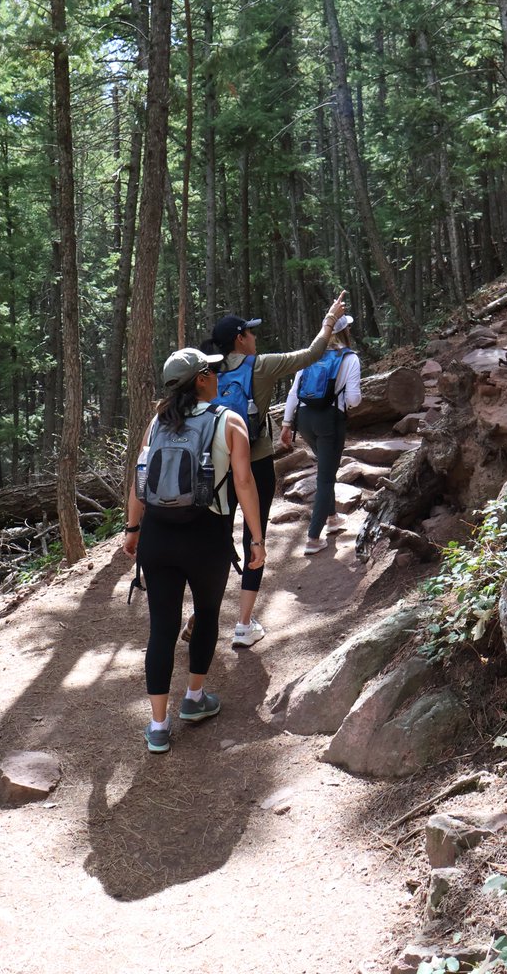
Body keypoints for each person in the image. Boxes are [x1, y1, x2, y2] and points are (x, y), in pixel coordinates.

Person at [123, 346, 265, 754]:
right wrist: (256, 538)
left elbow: (140, 479)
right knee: (205, 615)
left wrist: (133, 528)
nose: (218, 376)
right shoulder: (228, 421)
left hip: (158, 539)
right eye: (213, 371)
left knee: (162, 629)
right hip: (207, 536)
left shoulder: (157, 422)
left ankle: (158, 726)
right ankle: (195, 699)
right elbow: (244, 483)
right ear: (201, 379)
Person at [187, 290, 348, 649]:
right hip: (255, 464)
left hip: (214, 467)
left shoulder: (205, 372)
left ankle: (201, 615)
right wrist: (329, 320)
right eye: (251, 333)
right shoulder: (258, 366)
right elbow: (311, 354)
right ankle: (243, 624)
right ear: (240, 339)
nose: (256, 338)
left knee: (215, 540)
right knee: (253, 541)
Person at [280, 314, 362, 556]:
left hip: (304, 421)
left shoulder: (311, 355)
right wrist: (347, 402)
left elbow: (294, 393)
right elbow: (354, 399)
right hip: (329, 422)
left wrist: (286, 424)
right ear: (346, 331)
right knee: (326, 478)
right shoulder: (350, 358)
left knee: (326, 469)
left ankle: (333, 517)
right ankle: (314, 538)